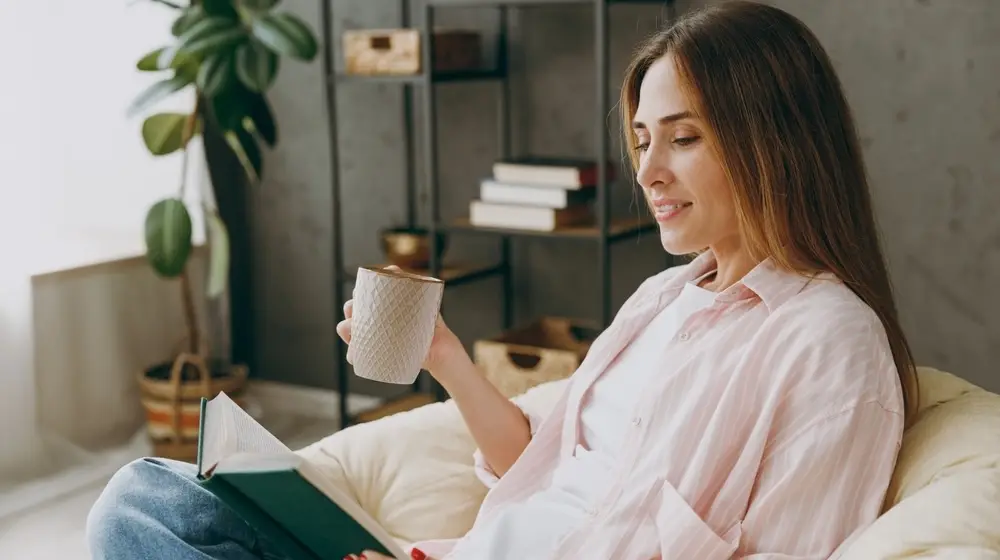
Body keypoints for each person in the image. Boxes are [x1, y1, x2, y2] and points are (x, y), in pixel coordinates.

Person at [86, 2, 918, 559]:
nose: (649, 172)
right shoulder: (662, 300)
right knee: (144, 500)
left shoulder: (829, 346)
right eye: (641, 140)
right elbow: (542, 465)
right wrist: (445, 358)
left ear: (774, 140)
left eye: (684, 138)